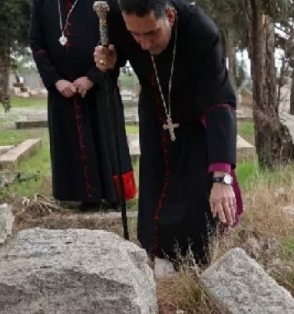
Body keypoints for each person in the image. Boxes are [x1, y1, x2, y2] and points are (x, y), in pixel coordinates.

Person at [93, 0, 242, 265]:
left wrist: (222, 177)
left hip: (195, 114)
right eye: (135, 35)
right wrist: (110, 63)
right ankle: (156, 251)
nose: (144, 44)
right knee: (155, 184)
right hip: (154, 110)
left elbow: (220, 101)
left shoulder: (201, 31)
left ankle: (197, 258)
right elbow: (114, 60)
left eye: (151, 33)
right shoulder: (116, 19)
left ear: (170, 16)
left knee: (195, 190)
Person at [29, 0, 137, 211]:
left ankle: (114, 196)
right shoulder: (42, 4)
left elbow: (118, 43)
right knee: (71, 144)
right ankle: (85, 197)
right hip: (63, 91)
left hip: (99, 87)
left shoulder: (106, 2)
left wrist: (92, 77)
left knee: (107, 141)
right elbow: (37, 44)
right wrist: (56, 80)